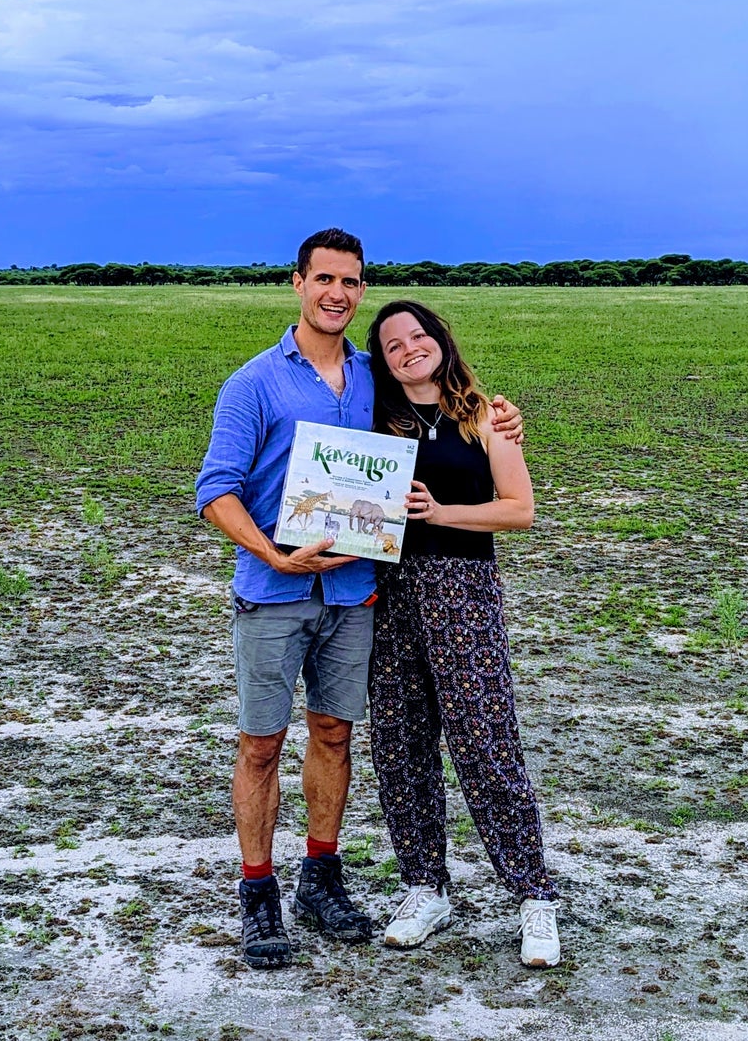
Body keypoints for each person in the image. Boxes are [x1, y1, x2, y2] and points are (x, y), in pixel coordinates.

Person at [195, 230, 524, 969]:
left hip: (353, 593)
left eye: (350, 281)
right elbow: (215, 490)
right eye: (324, 279)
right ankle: (258, 892)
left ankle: (322, 877)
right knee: (261, 743)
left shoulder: (378, 376)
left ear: (361, 290)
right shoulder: (253, 384)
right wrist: (273, 553)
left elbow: (452, 403)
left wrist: (502, 418)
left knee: (335, 734)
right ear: (298, 283)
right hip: (273, 591)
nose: (337, 293)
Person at [365, 298, 561, 968]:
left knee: (485, 740)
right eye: (393, 344)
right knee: (401, 742)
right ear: (382, 361)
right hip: (388, 592)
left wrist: (441, 511)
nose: (409, 349)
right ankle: (425, 886)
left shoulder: (483, 415)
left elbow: (519, 510)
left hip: (463, 590)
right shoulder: (373, 417)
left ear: (441, 341)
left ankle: (533, 894)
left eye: (418, 336)